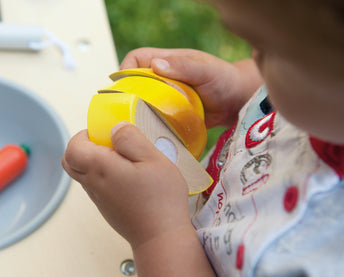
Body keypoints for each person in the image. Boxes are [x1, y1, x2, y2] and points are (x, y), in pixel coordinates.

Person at [62, 0, 344, 276]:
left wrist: (157, 234)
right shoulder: (326, 105)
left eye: (268, 51)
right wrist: (237, 85)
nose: (254, 59)